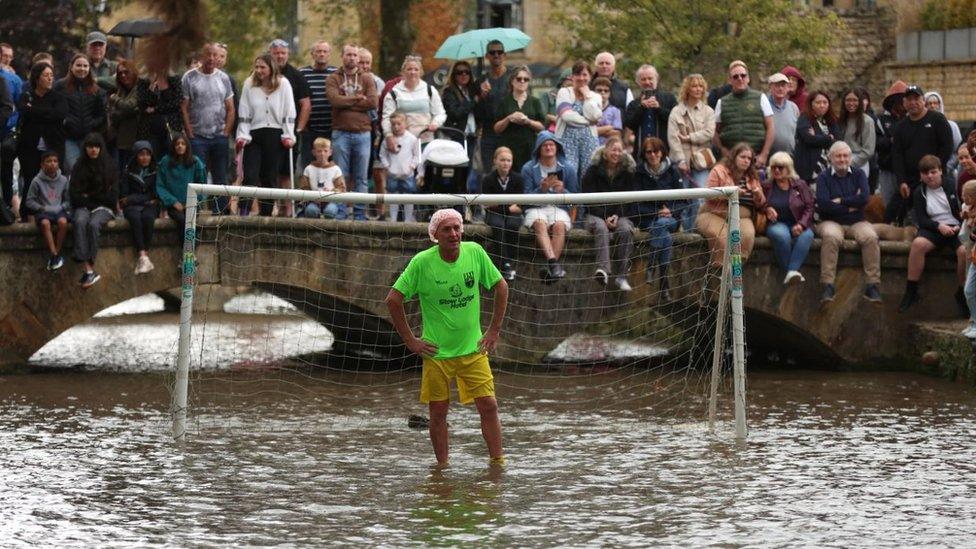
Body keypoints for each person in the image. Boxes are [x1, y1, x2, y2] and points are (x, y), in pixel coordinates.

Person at [385, 208, 509, 468]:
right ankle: (442, 468)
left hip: (473, 350)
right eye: (447, 229)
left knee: (489, 405)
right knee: (438, 413)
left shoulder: (474, 252)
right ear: (435, 235)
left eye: (457, 228)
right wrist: (411, 341)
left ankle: (498, 463)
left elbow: (501, 287)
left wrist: (494, 330)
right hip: (437, 354)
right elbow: (393, 300)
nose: (454, 234)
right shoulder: (421, 262)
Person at [899, 155, 968, 313]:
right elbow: (922, 220)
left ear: (940, 171)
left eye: (933, 172)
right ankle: (911, 290)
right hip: (933, 227)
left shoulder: (952, 185)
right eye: (925, 173)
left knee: (964, 251)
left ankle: (963, 292)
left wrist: (959, 225)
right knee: (918, 244)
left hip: (956, 227)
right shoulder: (919, 192)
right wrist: (939, 226)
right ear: (920, 175)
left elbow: (963, 210)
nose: (929, 176)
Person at [815, 141, 881, 303]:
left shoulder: (859, 174)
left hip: (857, 222)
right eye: (838, 156)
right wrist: (851, 206)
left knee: (870, 237)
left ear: (851, 158)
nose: (842, 159)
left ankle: (872, 285)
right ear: (830, 158)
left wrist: (839, 201)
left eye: (845, 156)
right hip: (830, 221)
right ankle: (828, 285)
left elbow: (864, 198)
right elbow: (824, 205)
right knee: (831, 237)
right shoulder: (823, 178)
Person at [236, 54, 296, 217]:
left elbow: (289, 111)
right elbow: (244, 110)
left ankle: (266, 214)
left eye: (262, 67)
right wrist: (242, 134)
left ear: (271, 68)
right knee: (250, 175)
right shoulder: (249, 83)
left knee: (269, 176)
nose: (259, 70)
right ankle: (244, 210)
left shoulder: (283, 84)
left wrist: (288, 135)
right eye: (257, 67)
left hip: (275, 134)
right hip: (254, 134)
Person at [887, 85, 954, 225]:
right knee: (891, 213)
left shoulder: (938, 119)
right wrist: (902, 181)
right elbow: (897, 155)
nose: (913, 102)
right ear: (904, 103)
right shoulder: (900, 127)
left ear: (923, 100)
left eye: (916, 98)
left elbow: (947, 147)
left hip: (935, 177)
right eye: (909, 99)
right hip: (910, 179)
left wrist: (933, 171)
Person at [180, 43, 235, 214]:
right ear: (201, 56)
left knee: (221, 175)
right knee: (198, 174)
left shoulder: (224, 78)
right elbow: (184, 107)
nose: (211, 58)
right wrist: (189, 132)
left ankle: (220, 212)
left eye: (214, 55)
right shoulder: (189, 78)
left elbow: (231, 107)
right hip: (197, 136)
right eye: (207, 54)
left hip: (219, 135)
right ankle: (195, 211)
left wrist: (226, 132)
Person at [325, 44, 377, 221]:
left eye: (355, 55)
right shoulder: (333, 78)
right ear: (342, 56)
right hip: (340, 133)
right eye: (348, 54)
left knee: (361, 178)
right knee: (340, 176)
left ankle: (360, 214)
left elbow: (372, 102)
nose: (352, 58)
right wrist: (356, 98)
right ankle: (340, 212)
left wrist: (346, 101)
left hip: (363, 133)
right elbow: (334, 100)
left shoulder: (367, 78)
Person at [634, 136, 687, 300]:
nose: (653, 155)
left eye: (656, 151)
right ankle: (664, 285)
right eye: (648, 152)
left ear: (662, 152)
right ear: (644, 154)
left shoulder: (673, 171)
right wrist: (656, 212)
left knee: (663, 224)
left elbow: (684, 201)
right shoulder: (639, 173)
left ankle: (651, 266)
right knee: (665, 236)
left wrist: (670, 210)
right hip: (648, 219)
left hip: (671, 218)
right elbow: (635, 205)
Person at [696, 142, 766, 267]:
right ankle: (719, 274)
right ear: (734, 157)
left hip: (742, 215)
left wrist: (758, 196)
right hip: (714, 213)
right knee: (723, 238)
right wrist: (730, 193)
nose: (746, 161)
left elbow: (761, 204)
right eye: (743, 157)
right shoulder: (719, 170)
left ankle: (734, 273)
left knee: (747, 237)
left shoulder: (752, 176)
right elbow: (708, 194)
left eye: (749, 158)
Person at [520, 131, 578, 281]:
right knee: (539, 224)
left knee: (559, 225)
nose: (548, 147)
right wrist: (542, 190)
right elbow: (524, 200)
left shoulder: (568, 168)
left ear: (557, 147)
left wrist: (562, 191)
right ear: (538, 148)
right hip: (536, 208)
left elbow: (576, 198)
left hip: (559, 208)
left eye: (551, 144)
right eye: (544, 145)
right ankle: (554, 265)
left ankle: (551, 268)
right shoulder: (528, 168)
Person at [581, 136, 636, 291]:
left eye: (619, 150)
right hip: (596, 214)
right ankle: (603, 270)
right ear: (605, 151)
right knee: (600, 228)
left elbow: (630, 200)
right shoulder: (592, 170)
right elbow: (588, 199)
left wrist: (616, 216)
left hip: (619, 215)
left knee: (626, 229)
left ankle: (622, 276)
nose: (616, 153)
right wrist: (604, 217)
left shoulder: (628, 172)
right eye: (613, 149)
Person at [69, 133, 118, 289]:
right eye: (90, 147)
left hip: (104, 208)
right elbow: (74, 195)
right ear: (86, 148)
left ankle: (89, 264)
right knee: (80, 221)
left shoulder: (109, 166)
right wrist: (95, 197)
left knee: (93, 224)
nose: (93, 150)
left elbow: (111, 197)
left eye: (96, 147)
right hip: (83, 207)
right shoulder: (79, 166)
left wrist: (90, 196)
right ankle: (88, 269)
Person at [269, 39, 312, 217]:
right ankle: (271, 207)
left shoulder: (296, 75)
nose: (280, 56)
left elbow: (306, 104)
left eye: (283, 53)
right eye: (276, 53)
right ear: (271, 54)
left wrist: (299, 128)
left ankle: (287, 208)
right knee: (269, 170)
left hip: (290, 131)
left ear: (288, 54)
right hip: (267, 129)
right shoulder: (262, 73)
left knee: (286, 172)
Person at [17, 62, 67, 211]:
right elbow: (24, 111)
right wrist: (46, 113)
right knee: (30, 179)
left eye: (52, 75)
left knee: (55, 180)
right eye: (46, 75)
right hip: (29, 146)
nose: (50, 78)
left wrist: (35, 111)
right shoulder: (27, 96)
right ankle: (27, 213)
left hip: (53, 145)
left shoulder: (58, 97)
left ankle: (56, 211)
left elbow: (59, 114)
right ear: (37, 78)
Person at [667, 73, 715, 229]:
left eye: (701, 86)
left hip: (701, 162)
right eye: (694, 85)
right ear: (687, 88)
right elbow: (673, 138)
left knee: (700, 197)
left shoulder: (708, 111)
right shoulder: (676, 111)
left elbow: (709, 133)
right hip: (682, 162)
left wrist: (689, 137)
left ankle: (694, 230)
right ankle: (682, 232)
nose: (698, 89)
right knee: (682, 197)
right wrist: (681, 160)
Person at [760, 152, 815, 284]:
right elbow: (759, 204)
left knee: (807, 236)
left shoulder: (800, 185)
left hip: (798, 221)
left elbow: (810, 206)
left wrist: (801, 224)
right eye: (773, 167)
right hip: (777, 223)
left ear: (788, 168)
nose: (777, 170)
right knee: (782, 236)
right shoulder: (767, 185)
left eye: (780, 167)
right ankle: (792, 271)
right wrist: (767, 208)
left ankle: (790, 272)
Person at [713, 60, 774, 168]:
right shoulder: (721, 102)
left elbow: (770, 128)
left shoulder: (761, 98)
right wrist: (723, 150)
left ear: (748, 78)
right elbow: (714, 131)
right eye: (735, 76)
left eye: (743, 75)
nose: (740, 78)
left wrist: (764, 155)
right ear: (730, 80)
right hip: (730, 162)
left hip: (756, 159)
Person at [55, 53, 106, 172]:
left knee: (89, 171)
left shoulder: (95, 89)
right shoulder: (60, 86)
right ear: (71, 67)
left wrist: (91, 124)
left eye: (85, 66)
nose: (82, 69)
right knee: (74, 169)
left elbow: (101, 115)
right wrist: (65, 121)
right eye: (78, 65)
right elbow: (55, 110)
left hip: (89, 140)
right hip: (69, 138)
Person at [481, 146, 524, 281]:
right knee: (498, 226)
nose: (506, 163)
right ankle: (504, 264)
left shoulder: (518, 179)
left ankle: (509, 262)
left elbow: (520, 203)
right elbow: (488, 204)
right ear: (495, 161)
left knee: (512, 225)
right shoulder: (488, 179)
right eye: (502, 160)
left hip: (511, 214)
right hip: (494, 214)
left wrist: (500, 205)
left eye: (508, 160)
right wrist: (508, 207)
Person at [492, 65, 544, 172]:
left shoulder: (535, 101)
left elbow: (542, 127)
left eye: (526, 79)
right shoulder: (504, 102)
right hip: (508, 149)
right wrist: (509, 118)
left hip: (529, 148)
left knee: (528, 178)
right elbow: (496, 128)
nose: (522, 81)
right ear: (512, 81)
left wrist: (528, 121)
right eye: (519, 79)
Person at [381, 55, 446, 141]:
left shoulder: (430, 90)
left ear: (421, 72)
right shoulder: (394, 93)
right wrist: (389, 136)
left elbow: (440, 113)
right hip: (402, 141)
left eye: (416, 69)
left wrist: (435, 123)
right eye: (409, 69)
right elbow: (387, 118)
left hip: (425, 139)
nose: (412, 72)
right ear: (403, 72)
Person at [23, 151, 69, 270]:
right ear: (42, 165)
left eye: (55, 161)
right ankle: (53, 253)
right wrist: (41, 208)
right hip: (43, 210)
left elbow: (69, 200)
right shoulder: (36, 181)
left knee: (63, 223)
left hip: (59, 209)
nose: (52, 164)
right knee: (45, 224)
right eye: (49, 161)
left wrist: (62, 207)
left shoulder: (63, 180)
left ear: (58, 164)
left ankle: (56, 253)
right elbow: (29, 201)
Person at [556, 61, 601, 180]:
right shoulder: (564, 92)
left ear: (590, 77)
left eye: (585, 75)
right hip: (566, 140)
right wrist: (588, 121)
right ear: (572, 77)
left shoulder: (595, 97)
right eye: (578, 74)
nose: (581, 78)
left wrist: (587, 96)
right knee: (569, 173)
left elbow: (595, 116)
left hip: (589, 141)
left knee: (588, 174)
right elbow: (566, 116)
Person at [120, 140, 159, 275]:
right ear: (136, 156)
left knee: (148, 218)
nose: (145, 158)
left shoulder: (155, 171)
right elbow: (124, 195)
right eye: (141, 154)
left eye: (147, 154)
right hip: (132, 208)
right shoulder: (128, 172)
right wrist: (140, 199)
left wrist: (133, 199)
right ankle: (142, 255)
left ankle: (145, 255)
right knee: (135, 219)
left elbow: (154, 194)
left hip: (149, 206)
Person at [474, 40, 513, 170]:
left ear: (504, 55)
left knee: (509, 171)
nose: (496, 55)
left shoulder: (513, 78)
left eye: (499, 52)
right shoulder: (481, 81)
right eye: (492, 52)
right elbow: (476, 113)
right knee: (488, 173)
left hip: (508, 131)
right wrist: (481, 97)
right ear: (487, 56)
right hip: (488, 133)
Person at [624, 64, 677, 160]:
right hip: (641, 152)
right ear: (638, 82)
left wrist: (658, 108)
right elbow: (629, 124)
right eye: (643, 79)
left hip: (664, 151)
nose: (647, 82)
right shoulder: (634, 103)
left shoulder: (669, 98)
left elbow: (676, 120)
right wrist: (641, 108)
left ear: (657, 79)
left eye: (650, 78)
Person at [299, 41, 338, 169]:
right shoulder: (302, 73)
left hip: (331, 128)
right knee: (308, 166)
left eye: (325, 51)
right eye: (318, 51)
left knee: (331, 167)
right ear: (312, 54)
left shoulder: (336, 73)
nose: (321, 54)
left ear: (329, 54)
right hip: (309, 129)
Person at [157, 133, 206, 226]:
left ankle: (190, 241)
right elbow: (160, 186)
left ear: (187, 146)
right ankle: (183, 241)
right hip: (173, 204)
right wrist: (173, 201)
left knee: (191, 222)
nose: (180, 146)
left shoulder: (196, 162)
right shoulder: (165, 162)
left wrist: (192, 202)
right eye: (177, 144)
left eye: (183, 144)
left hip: (192, 204)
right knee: (182, 220)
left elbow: (202, 186)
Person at [379, 112, 419, 223]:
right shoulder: (387, 140)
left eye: (399, 124)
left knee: (408, 197)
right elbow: (382, 155)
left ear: (405, 124)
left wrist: (412, 167)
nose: (396, 127)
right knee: (393, 197)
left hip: (407, 174)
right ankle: (393, 220)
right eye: (393, 124)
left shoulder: (412, 139)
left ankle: (408, 220)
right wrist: (387, 167)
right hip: (393, 174)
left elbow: (416, 155)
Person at [136, 65, 183, 159]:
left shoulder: (174, 78)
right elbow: (142, 104)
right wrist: (150, 90)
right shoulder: (143, 79)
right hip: (149, 129)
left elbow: (177, 102)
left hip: (171, 127)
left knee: (172, 158)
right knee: (152, 157)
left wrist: (156, 109)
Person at [794, 90, 841, 184]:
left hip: (830, 165)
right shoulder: (804, 118)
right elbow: (809, 139)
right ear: (811, 104)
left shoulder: (831, 120)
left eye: (825, 102)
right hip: (810, 167)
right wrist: (828, 137)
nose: (822, 105)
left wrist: (817, 137)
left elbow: (837, 141)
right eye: (818, 102)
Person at [876, 80, 907, 205]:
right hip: (887, 168)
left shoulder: (911, 118)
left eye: (903, 101)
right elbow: (876, 143)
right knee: (888, 203)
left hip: (907, 169)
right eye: (897, 101)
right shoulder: (881, 120)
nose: (901, 105)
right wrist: (891, 140)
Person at [108, 60, 141, 174]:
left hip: (136, 138)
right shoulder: (120, 91)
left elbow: (129, 106)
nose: (123, 75)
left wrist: (115, 99)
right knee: (120, 172)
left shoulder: (139, 88)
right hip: (120, 140)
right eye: (120, 73)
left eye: (126, 72)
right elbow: (113, 114)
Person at [298, 137, 344, 219]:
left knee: (330, 211)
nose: (322, 154)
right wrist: (312, 198)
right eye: (319, 151)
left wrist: (331, 193)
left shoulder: (336, 169)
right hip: (313, 201)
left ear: (330, 152)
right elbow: (304, 188)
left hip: (331, 201)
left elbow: (341, 188)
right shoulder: (308, 169)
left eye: (325, 151)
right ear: (314, 152)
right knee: (310, 211)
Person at [0, 43, 22, 212]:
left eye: (9, 56)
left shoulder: (13, 79)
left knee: (10, 173)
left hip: (8, 131)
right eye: (4, 55)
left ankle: (11, 209)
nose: (6, 59)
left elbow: (15, 105)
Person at [839, 87, 876, 179]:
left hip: (858, 164)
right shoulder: (841, 121)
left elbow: (868, 150)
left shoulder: (867, 121)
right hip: (840, 163)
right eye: (848, 100)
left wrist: (850, 164)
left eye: (855, 100)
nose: (851, 103)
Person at [924, 91, 962, 170]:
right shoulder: (921, 126)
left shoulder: (952, 126)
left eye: (935, 103)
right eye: (929, 103)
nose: (933, 106)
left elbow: (958, 150)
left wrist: (947, 167)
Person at [958, 180, 976, 337]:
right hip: (973, 255)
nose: (964, 199)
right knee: (969, 290)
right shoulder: (968, 209)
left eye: (967, 196)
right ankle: (974, 322)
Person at [766, 73, 799, 156]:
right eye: (777, 85)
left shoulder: (793, 107)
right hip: (769, 157)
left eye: (783, 85)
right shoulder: (764, 106)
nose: (780, 88)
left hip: (789, 157)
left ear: (787, 88)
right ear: (770, 87)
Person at [593, 76, 622, 144]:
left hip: (608, 148)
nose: (603, 93)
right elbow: (585, 132)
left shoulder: (615, 111)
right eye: (599, 90)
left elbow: (616, 134)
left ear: (610, 93)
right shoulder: (587, 109)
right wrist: (608, 128)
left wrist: (596, 131)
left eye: (606, 91)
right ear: (593, 91)